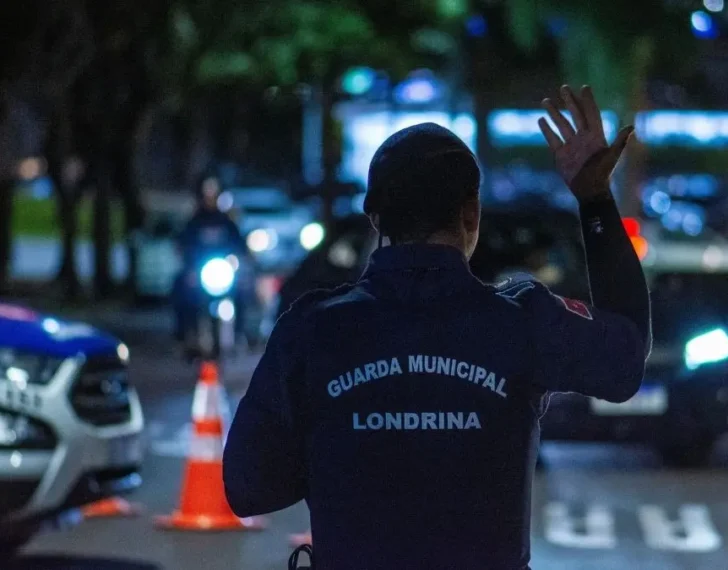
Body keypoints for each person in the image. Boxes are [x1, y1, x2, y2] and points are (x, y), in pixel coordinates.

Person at [224, 85, 652, 570]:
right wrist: (594, 200)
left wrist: (347, 452)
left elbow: (248, 487)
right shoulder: (523, 322)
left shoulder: (312, 330)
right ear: (471, 215)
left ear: (374, 218)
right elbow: (627, 359)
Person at [172, 174, 250, 348]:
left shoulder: (227, 222)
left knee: (243, 291)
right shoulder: (194, 222)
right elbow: (181, 245)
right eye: (207, 190)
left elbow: (240, 246)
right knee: (180, 289)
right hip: (198, 274)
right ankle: (184, 335)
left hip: (224, 274)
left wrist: (238, 261)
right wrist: (189, 268)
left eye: (213, 190)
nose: (210, 195)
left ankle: (239, 334)